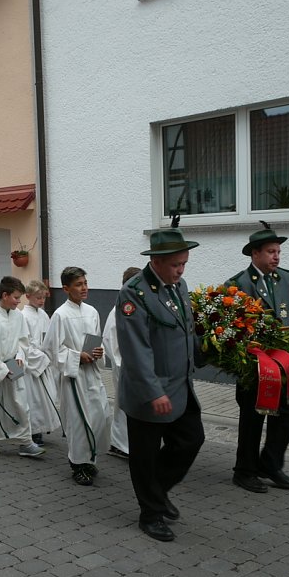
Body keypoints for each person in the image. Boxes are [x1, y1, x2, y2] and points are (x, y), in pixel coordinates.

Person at [116, 224, 205, 542]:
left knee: (192, 439)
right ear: (156, 261)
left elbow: (185, 328)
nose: (180, 271)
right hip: (147, 392)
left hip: (180, 387)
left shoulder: (177, 286)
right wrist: (154, 391)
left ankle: (158, 489)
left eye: (184, 264)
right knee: (145, 456)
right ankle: (150, 515)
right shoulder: (134, 293)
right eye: (175, 265)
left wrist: (204, 352)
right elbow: (136, 349)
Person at [226, 223, 289, 493]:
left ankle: (270, 464)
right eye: (270, 251)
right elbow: (234, 326)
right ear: (255, 254)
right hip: (255, 364)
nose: (276, 256)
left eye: (278, 251)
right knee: (253, 417)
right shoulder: (238, 285)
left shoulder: (285, 279)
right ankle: (245, 471)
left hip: (283, 361)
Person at [43, 267, 110, 486]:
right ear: (66, 288)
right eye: (79, 284)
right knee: (79, 420)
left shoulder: (91, 311)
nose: (84, 288)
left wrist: (98, 351)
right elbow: (52, 350)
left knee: (99, 415)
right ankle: (78, 464)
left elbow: (96, 340)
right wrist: (76, 356)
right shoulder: (60, 315)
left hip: (92, 373)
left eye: (85, 283)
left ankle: (90, 458)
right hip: (73, 376)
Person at [0, 276, 45, 458]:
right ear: (4, 295)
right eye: (16, 297)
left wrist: (20, 356)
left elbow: (24, 340)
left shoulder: (18, 316)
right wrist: (2, 370)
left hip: (15, 364)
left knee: (21, 402)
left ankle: (25, 441)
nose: (19, 301)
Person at [102, 266, 142, 459]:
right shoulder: (120, 308)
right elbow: (110, 339)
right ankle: (120, 444)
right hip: (126, 366)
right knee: (125, 405)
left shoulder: (136, 305)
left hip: (137, 366)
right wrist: (124, 363)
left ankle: (130, 443)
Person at [20, 280, 61, 446]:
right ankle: (33, 432)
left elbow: (49, 337)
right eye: (38, 297)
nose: (41, 301)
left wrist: (50, 353)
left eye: (43, 297)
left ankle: (43, 427)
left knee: (46, 397)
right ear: (28, 296)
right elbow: (24, 344)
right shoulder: (23, 316)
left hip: (44, 362)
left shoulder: (43, 315)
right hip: (33, 366)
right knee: (33, 399)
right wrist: (41, 357)